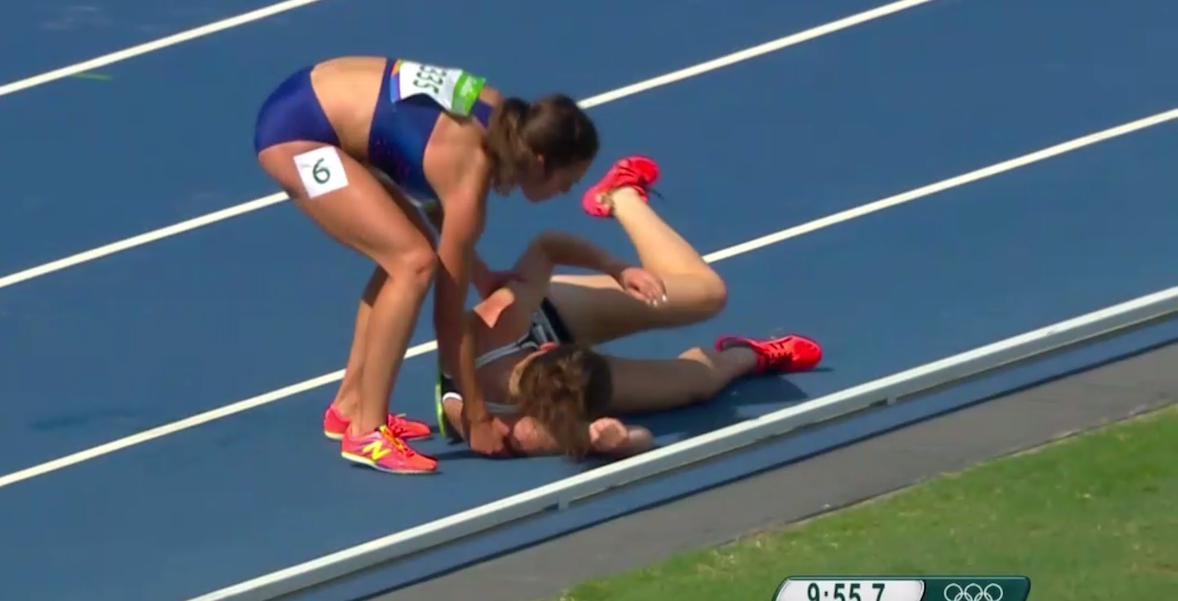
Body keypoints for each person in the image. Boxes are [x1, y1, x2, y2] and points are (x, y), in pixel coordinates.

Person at [253, 55, 600, 474]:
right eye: (571, 181)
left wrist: (482, 274)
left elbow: (428, 186)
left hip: (312, 98)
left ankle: (350, 405)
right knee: (412, 262)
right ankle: (367, 432)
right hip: (297, 138)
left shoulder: (502, 117)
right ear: (542, 164)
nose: (567, 192)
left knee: (404, 249)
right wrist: (477, 417)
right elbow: (448, 320)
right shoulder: (470, 176)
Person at [437, 155, 822, 458]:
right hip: (526, 386)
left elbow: (547, 246)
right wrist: (616, 439)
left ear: (550, 348)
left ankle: (619, 194)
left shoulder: (503, 320)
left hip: (550, 312)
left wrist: (619, 270)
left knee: (707, 294)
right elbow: (640, 440)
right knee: (696, 385)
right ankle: (747, 355)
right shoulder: (522, 432)